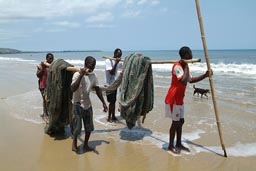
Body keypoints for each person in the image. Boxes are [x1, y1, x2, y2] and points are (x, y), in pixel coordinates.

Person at [165, 46, 211, 154]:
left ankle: (179, 143)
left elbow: (190, 80)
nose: (191, 54)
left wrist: (205, 75)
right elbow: (183, 81)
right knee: (175, 123)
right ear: (186, 55)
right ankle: (170, 145)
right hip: (174, 98)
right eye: (190, 52)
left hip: (180, 99)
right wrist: (185, 66)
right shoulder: (177, 66)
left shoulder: (185, 67)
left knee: (181, 121)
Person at [71, 56, 108, 153]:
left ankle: (86, 144)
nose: (93, 67)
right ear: (85, 63)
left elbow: (97, 89)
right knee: (78, 128)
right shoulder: (76, 74)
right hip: (77, 103)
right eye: (91, 65)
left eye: (94, 65)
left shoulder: (93, 76)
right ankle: (74, 143)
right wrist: (81, 75)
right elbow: (72, 88)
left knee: (89, 127)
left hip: (87, 104)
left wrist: (103, 103)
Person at [104, 48, 122, 122]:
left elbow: (125, 66)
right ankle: (109, 117)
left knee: (113, 101)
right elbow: (112, 72)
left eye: (120, 55)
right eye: (118, 55)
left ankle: (113, 116)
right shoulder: (108, 61)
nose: (119, 57)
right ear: (114, 54)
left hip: (114, 84)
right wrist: (116, 63)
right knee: (111, 102)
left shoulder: (118, 62)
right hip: (108, 85)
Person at [36, 53, 54, 118]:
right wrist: (43, 68)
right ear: (46, 58)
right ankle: (45, 114)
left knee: (49, 100)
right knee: (45, 100)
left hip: (51, 87)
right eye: (50, 58)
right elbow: (38, 75)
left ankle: (46, 113)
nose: (51, 60)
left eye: (52, 58)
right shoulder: (41, 65)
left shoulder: (53, 66)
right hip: (43, 86)